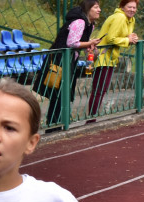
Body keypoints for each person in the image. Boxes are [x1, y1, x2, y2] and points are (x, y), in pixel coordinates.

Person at [42, 0, 100, 128]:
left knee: (65, 94)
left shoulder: (90, 25)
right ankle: (53, 126)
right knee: (58, 94)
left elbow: (81, 43)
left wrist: (91, 48)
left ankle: (61, 123)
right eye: (96, 7)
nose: (99, 10)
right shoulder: (79, 22)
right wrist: (89, 43)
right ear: (88, 8)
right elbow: (72, 43)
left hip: (70, 60)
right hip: (59, 60)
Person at [87, 0, 137, 118]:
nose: (132, 10)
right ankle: (91, 119)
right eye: (129, 7)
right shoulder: (119, 17)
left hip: (111, 58)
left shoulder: (131, 20)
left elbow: (124, 37)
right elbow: (111, 38)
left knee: (102, 89)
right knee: (99, 89)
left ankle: (92, 117)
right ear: (122, 7)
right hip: (103, 56)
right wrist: (127, 40)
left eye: (134, 8)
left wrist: (131, 38)